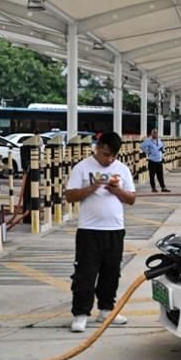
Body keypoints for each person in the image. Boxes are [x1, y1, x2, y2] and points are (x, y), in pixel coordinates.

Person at [64, 131, 136, 333]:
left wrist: (117, 190)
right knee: (85, 273)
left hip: (114, 229)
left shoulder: (121, 169)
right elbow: (69, 196)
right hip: (89, 230)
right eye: (105, 154)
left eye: (113, 155)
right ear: (97, 147)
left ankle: (106, 309)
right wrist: (92, 187)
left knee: (111, 272)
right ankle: (80, 313)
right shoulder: (82, 167)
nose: (109, 159)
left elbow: (131, 198)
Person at [140, 128, 170, 193]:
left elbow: (162, 147)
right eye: (154, 133)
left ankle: (163, 187)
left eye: (156, 133)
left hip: (159, 160)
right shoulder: (148, 140)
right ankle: (153, 188)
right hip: (152, 161)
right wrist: (148, 152)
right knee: (152, 176)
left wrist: (162, 151)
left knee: (160, 175)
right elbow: (142, 146)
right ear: (151, 134)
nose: (155, 134)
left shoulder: (159, 140)